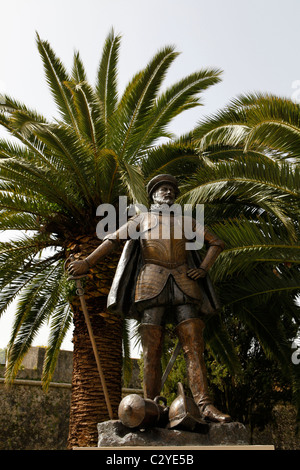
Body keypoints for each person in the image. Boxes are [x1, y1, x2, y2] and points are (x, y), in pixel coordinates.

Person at [68, 174, 231, 422]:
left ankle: (205, 405)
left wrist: (204, 268)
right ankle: (152, 407)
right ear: (153, 195)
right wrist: (87, 262)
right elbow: (112, 240)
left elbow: (216, 243)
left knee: (194, 346)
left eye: (171, 190)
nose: (167, 193)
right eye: (162, 189)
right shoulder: (142, 219)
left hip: (184, 282)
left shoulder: (186, 221)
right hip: (150, 282)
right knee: (151, 349)